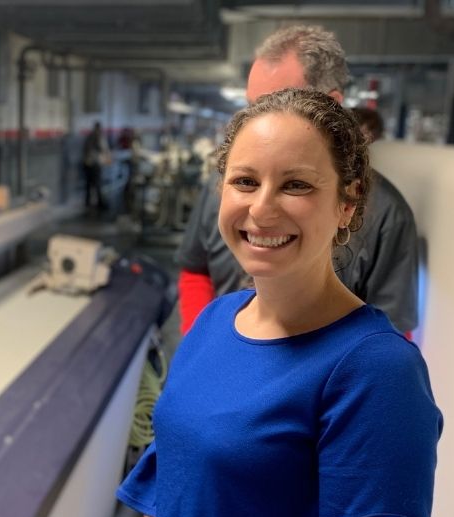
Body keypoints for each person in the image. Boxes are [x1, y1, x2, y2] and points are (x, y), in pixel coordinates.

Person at [117, 88, 442, 517]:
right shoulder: (215, 325)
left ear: (347, 203)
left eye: (296, 185)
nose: (262, 208)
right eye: (245, 181)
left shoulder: (375, 373)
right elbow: (165, 490)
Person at [176, 26, 419, 336]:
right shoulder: (227, 183)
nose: (261, 210)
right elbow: (195, 268)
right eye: (253, 107)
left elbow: (391, 334)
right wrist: (203, 345)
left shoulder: (386, 215)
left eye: (281, 103)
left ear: (347, 206)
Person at [82, 121, 110, 213]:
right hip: (94, 163)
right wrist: (107, 157)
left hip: (88, 163)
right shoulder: (98, 137)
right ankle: (99, 203)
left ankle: (88, 203)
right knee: (97, 184)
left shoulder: (89, 137)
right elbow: (103, 149)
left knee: (89, 184)